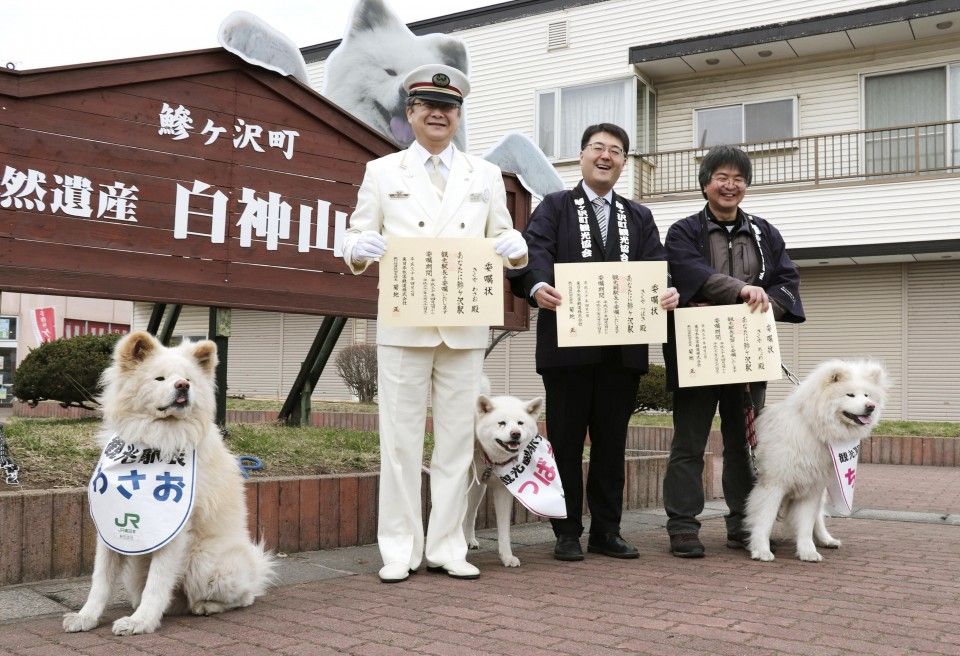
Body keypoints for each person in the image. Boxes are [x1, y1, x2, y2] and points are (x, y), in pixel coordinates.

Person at [341, 64, 528, 583]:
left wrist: (517, 249)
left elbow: (505, 236)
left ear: (459, 115)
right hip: (405, 323)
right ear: (410, 113)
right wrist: (359, 247)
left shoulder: (484, 174)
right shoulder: (382, 172)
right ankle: (399, 547)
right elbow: (355, 235)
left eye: (447, 108)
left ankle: (448, 545)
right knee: (398, 441)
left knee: (454, 442)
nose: (437, 114)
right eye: (427, 106)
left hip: (464, 324)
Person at [509, 123, 679, 562]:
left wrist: (667, 288)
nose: (606, 156)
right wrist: (537, 286)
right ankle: (566, 532)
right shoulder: (555, 206)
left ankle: (607, 530)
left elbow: (657, 263)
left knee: (610, 444)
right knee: (564, 442)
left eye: (616, 151)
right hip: (567, 350)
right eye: (598, 148)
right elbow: (534, 252)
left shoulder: (638, 216)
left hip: (622, 353)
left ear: (624, 162)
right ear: (582, 156)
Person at [661, 145, 805, 558]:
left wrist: (766, 304)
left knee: (744, 442)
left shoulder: (764, 232)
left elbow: (786, 282)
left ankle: (746, 526)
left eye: (738, 179)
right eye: (721, 177)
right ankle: (683, 526)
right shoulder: (684, 230)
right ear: (705, 183)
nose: (730, 185)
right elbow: (692, 274)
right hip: (697, 351)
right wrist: (742, 291)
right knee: (689, 441)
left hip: (748, 353)